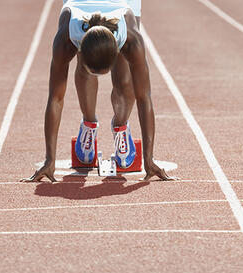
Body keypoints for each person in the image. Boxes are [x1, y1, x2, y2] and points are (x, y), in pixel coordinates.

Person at [22, 0, 174, 182]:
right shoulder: (66, 37)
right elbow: (55, 98)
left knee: (125, 79)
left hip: (122, 4)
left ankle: (121, 126)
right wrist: (49, 159)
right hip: (80, 5)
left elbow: (144, 97)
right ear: (79, 48)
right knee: (86, 73)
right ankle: (88, 124)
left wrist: (149, 159)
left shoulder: (131, 38)